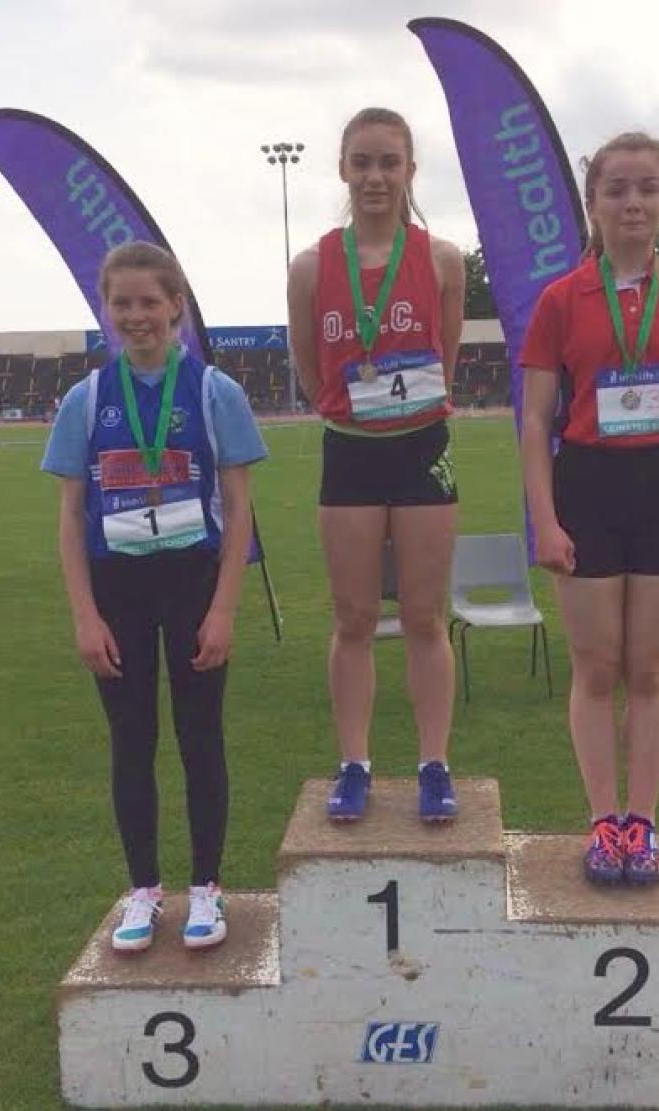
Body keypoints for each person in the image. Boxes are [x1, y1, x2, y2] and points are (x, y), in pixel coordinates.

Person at [42, 242, 267, 949]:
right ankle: (143, 890)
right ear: (107, 309)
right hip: (118, 588)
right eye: (122, 303)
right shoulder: (84, 401)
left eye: (149, 302)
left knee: (200, 738)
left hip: (194, 581)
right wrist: (84, 615)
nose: (136, 316)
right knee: (131, 741)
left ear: (176, 306)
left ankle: (207, 886)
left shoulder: (213, 391)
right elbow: (71, 520)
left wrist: (225, 608)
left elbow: (238, 512)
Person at [520, 132, 659, 885]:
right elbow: (534, 421)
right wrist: (542, 518)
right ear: (593, 203)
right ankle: (601, 821)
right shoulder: (558, 299)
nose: (632, 202)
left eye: (646, 187)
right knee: (595, 666)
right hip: (587, 489)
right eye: (616, 189)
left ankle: (642, 824)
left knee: (650, 667)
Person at [287, 107, 465, 823]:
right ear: (341, 169)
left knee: (424, 616)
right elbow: (308, 368)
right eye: (361, 162)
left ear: (409, 171)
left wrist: (401, 409)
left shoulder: (442, 260)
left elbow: (444, 361)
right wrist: (359, 407)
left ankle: (433, 764)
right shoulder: (310, 267)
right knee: (354, 616)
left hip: (421, 449)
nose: (374, 177)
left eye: (388, 162)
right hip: (350, 453)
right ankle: (354, 762)